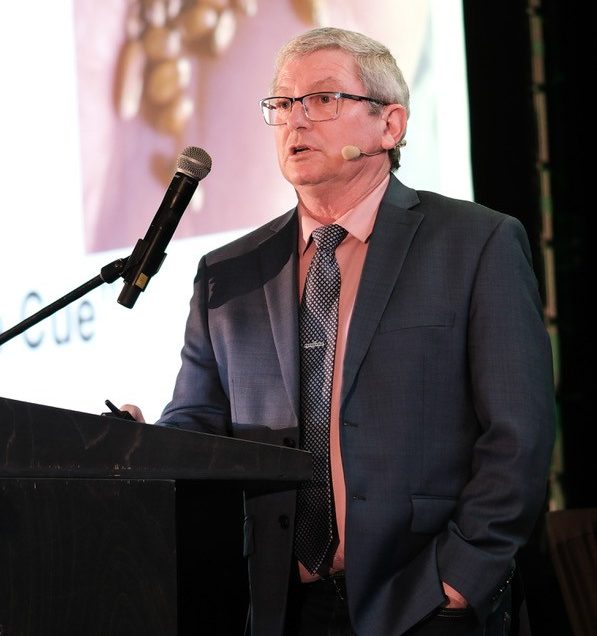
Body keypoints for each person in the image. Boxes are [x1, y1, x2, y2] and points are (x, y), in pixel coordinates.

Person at [122, 26, 555, 636]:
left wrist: (459, 579)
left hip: (430, 603)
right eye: (281, 104)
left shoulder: (474, 243)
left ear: (390, 125)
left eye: (322, 100)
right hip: (284, 609)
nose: (296, 122)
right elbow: (200, 427)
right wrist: (143, 449)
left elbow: (520, 434)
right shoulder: (229, 275)